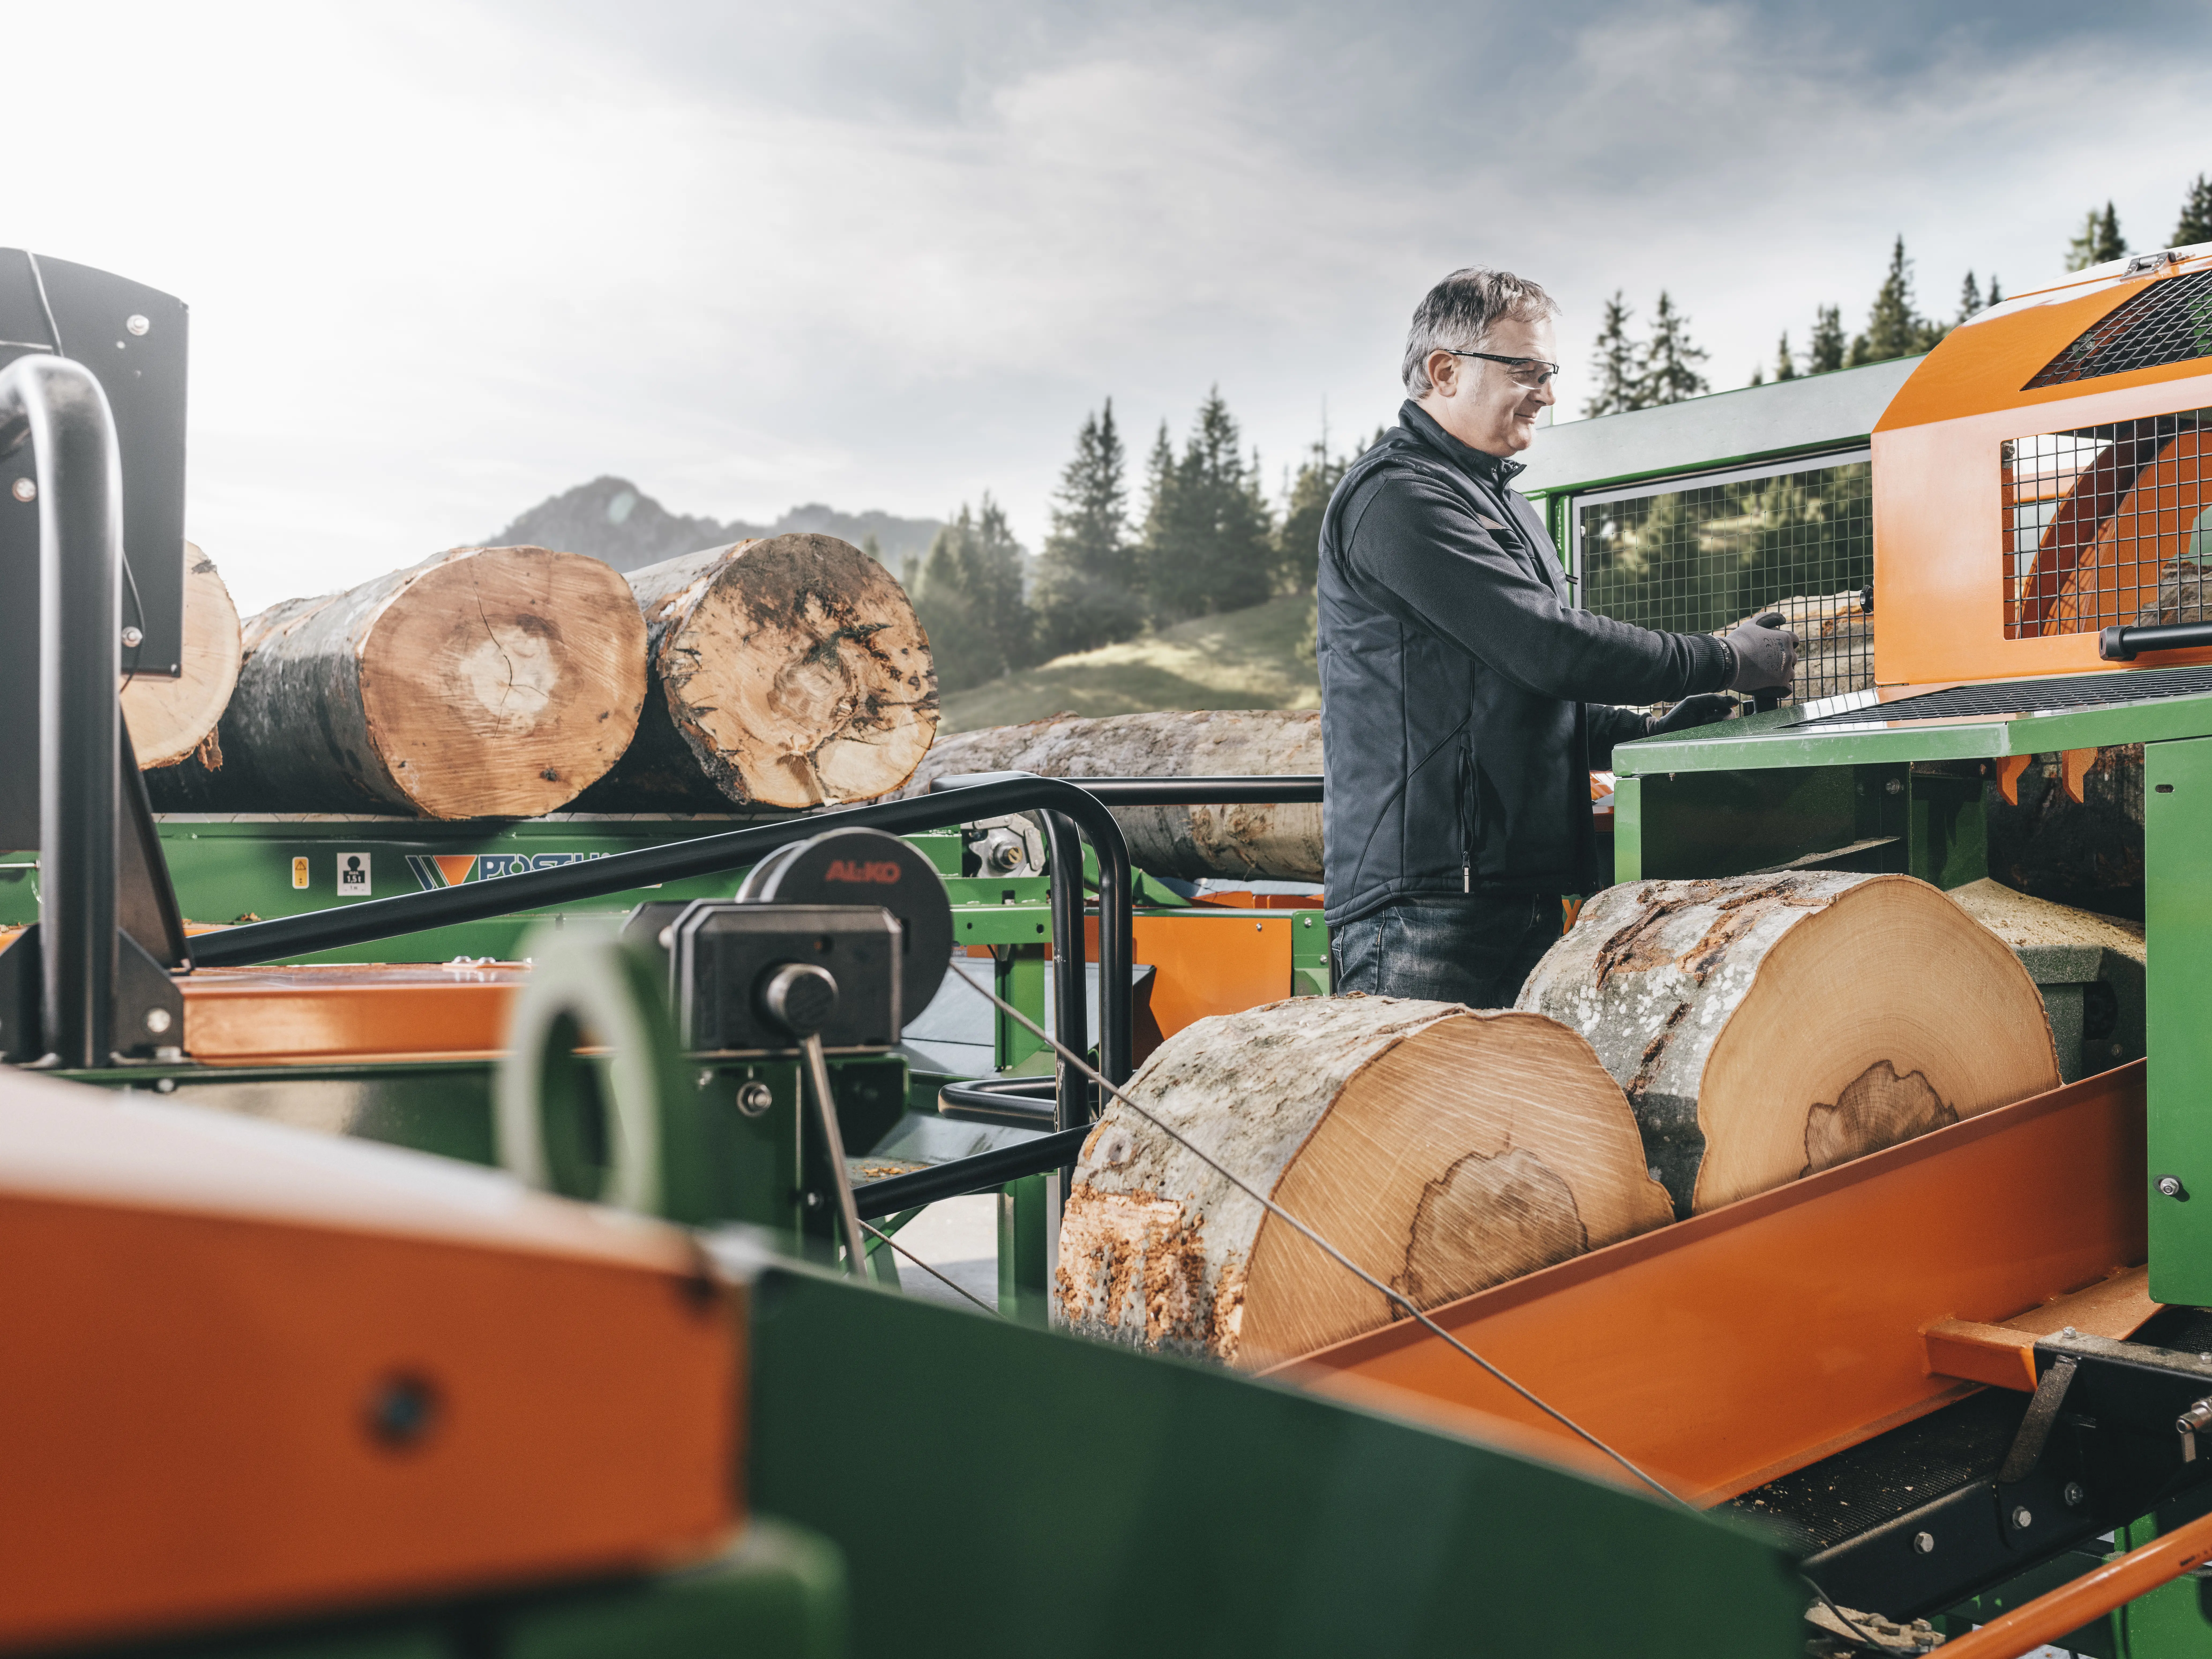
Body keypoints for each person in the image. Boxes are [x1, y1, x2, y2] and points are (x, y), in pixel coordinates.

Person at [1317, 267, 1797, 1007]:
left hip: (1510, 888)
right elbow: (1549, 648)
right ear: (1445, 371)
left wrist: (1643, 733)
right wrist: (1725, 660)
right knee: (1428, 1088)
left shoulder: (1498, 501)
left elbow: (1515, 694)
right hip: (1428, 904)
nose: (1547, 394)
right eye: (1527, 371)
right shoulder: (1399, 499)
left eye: (1550, 374)